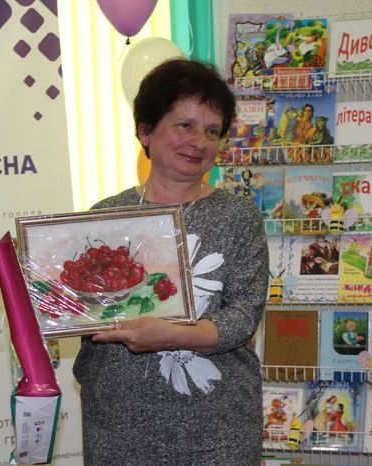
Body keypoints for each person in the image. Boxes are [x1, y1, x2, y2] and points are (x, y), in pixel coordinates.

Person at [72, 58, 269, 465]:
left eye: (212, 131)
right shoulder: (105, 217)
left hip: (215, 430)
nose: (199, 141)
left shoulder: (238, 216)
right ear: (146, 131)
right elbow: (86, 316)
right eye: (185, 125)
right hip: (118, 426)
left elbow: (242, 318)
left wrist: (170, 336)